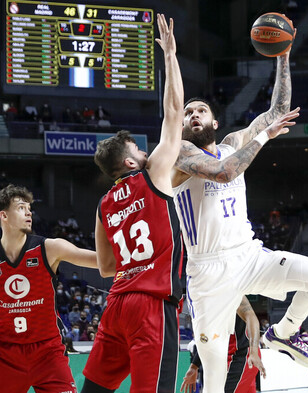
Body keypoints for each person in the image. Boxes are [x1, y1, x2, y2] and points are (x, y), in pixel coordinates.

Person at [171, 29, 308, 393]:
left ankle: (284, 333)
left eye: (201, 110)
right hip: (208, 273)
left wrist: (283, 54)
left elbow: (277, 112)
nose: (193, 115)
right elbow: (225, 171)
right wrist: (264, 136)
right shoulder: (180, 154)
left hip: (249, 256)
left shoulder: (232, 142)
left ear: (216, 123)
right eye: (187, 113)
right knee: (214, 380)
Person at [81, 14, 184, 393]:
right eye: (139, 149)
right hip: (151, 305)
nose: (146, 151)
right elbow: (174, 114)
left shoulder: (104, 203)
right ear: (129, 162)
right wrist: (170, 56)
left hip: (117, 305)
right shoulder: (152, 173)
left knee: (94, 388)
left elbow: (107, 267)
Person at [0, 185, 98, 393]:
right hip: (4, 356)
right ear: (3, 215)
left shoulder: (49, 248)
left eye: (29, 208)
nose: (29, 212)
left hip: (48, 354)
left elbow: (101, 262)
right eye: (21, 207)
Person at [181, 297, 266, 393]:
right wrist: (194, 366)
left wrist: (253, 351)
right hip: (228, 356)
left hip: (242, 356)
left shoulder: (229, 288)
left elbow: (251, 317)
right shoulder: (204, 297)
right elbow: (209, 339)